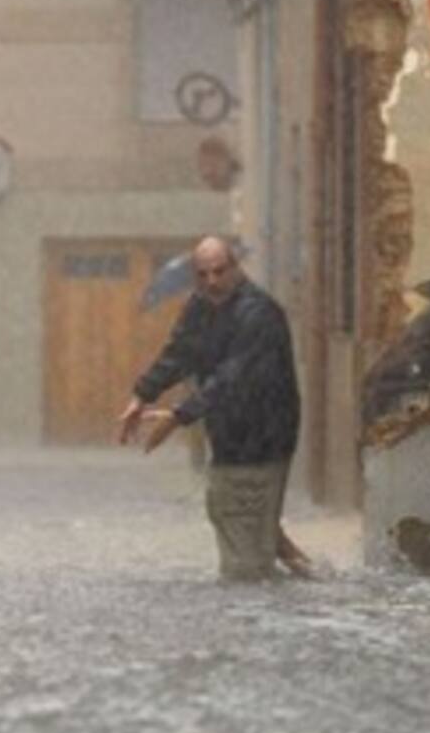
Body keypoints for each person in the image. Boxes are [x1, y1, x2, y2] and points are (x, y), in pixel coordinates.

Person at [117, 236, 316, 581]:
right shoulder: (201, 306)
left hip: (263, 436)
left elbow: (233, 378)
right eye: (203, 273)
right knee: (231, 513)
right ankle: (302, 572)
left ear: (236, 268)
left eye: (219, 271)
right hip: (229, 436)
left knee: (242, 538)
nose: (211, 281)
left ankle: (267, 600)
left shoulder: (259, 313)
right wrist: (142, 396)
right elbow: (179, 352)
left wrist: (180, 415)